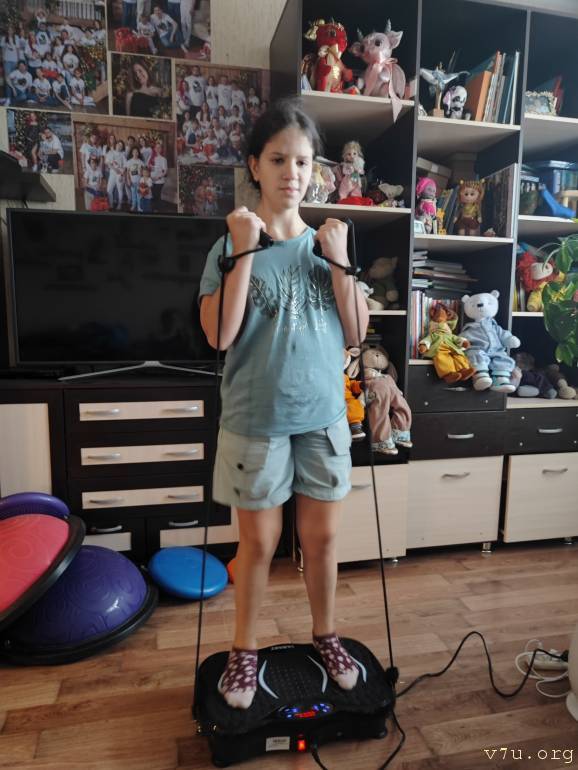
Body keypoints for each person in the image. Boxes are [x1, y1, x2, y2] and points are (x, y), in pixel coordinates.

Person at [198, 98, 369, 710]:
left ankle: (327, 636)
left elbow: (356, 333)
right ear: (255, 165)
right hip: (257, 421)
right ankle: (244, 650)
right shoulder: (231, 243)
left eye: (302, 161)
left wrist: (342, 262)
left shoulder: (328, 243)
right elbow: (220, 335)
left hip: (323, 418)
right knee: (260, 545)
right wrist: (244, 249)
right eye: (278, 160)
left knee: (322, 541)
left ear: (314, 169)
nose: (292, 173)